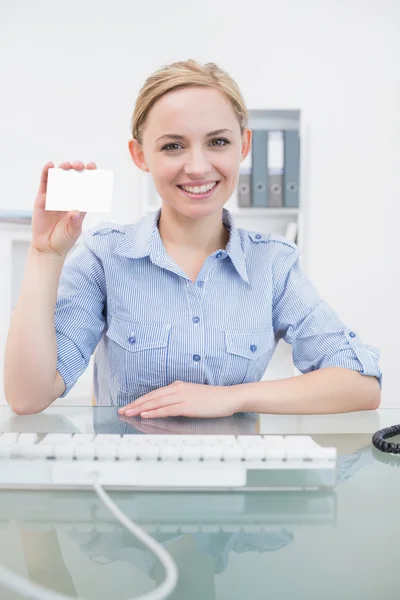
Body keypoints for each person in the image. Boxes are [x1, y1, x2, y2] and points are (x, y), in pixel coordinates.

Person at [5, 59, 382, 417]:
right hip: (128, 478)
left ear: (244, 146)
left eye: (218, 142)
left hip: (235, 476)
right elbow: (28, 396)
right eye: (173, 146)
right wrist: (45, 254)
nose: (199, 167)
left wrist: (230, 398)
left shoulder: (273, 263)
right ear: (140, 155)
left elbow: (361, 385)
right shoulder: (104, 255)